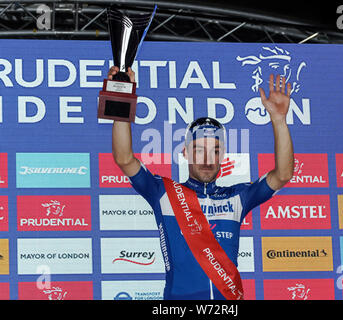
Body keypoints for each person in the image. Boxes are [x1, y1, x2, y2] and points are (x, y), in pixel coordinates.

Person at [110, 66, 294, 300]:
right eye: (199, 150)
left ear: (223, 155)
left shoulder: (238, 196)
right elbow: (124, 158)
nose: (207, 160)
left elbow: (283, 174)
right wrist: (121, 96)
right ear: (185, 153)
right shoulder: (164, 192)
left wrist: (279, 120)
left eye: (214, 151)